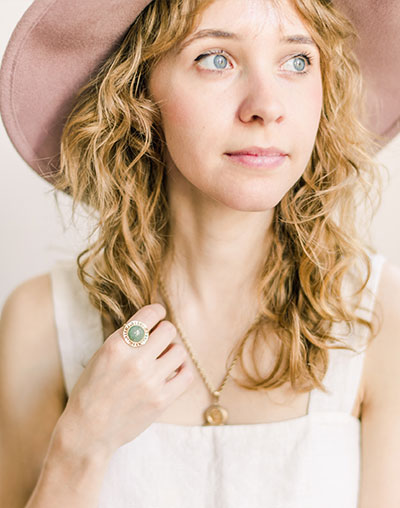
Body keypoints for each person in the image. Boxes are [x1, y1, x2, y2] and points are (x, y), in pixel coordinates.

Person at [0, 0, 399, 507]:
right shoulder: (39, 323)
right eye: (216, 59)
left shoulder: (381, 318)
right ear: (138, 91)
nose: (267, 106)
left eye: (297, 61)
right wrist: (81, 445)